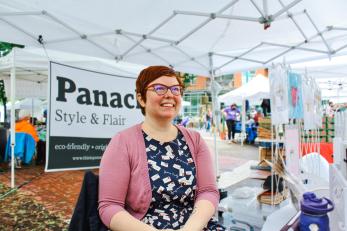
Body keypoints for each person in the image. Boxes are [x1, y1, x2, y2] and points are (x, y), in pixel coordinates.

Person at [98, 66, 225, 231]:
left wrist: (189, 229)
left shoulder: (195, 140)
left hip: (194, 226)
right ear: (141, 98)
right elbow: (109, 206)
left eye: (175, 89)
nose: (169, 94)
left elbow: (208, 191)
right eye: (159, 88)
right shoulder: (123, 142)